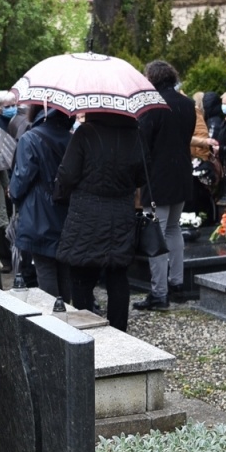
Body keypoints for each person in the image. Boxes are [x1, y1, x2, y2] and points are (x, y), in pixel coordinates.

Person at [55, 112, 144, 331]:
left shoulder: (85, 133)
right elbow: (142, 176)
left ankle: (86, 331)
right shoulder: (135, 134)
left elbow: (68, 175)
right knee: (117, 274)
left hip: (86, 213)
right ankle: (119, 331)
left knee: (82, 276)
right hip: (121, 212)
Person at [136, 60, 197, 310]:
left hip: (158, 178)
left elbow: (143, 145)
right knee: (172, 230)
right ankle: (177, 284)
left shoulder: (152, 107)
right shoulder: (188, 104)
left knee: (157, 235)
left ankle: (159, 294)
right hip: (181, 174)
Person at [10, 107, 73, 297]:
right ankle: (65, 313)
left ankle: (51, 321)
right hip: (67, 210)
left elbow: (21, 179)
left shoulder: (30, 139)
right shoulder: (71, 138)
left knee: (44, 267)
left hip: (38, 212)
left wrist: (12, 193)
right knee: (64, 268)